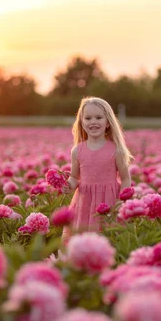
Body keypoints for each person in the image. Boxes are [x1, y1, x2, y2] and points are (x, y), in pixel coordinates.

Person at [61, 97, 133, 244]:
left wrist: (122, 201)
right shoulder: (77, 150)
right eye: (88, 118)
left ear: (107, 122)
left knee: (109, 236)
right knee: (82, 237)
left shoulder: (116, 150)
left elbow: (125, 178)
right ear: (81, 122)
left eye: (99, 117)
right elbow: (75, 177)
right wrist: (69, 185)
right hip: (84, 202)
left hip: (110, 201)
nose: (93, 122)